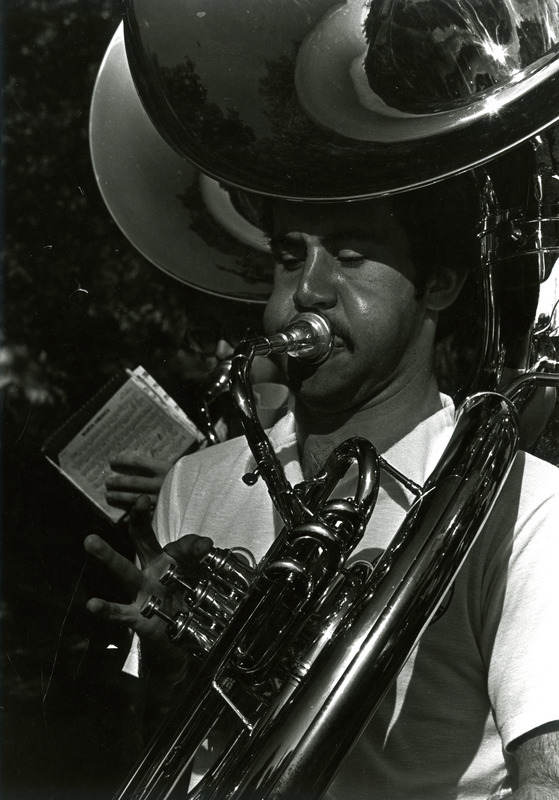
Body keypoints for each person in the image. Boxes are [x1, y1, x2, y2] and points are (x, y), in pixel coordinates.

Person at [84, 163, 559, 799]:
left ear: (439, 283)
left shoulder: (527, 506)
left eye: (352, 256)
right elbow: (157, 755)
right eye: (288, 256)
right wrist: (171, 674)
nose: (307, 290)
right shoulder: (195, 485)